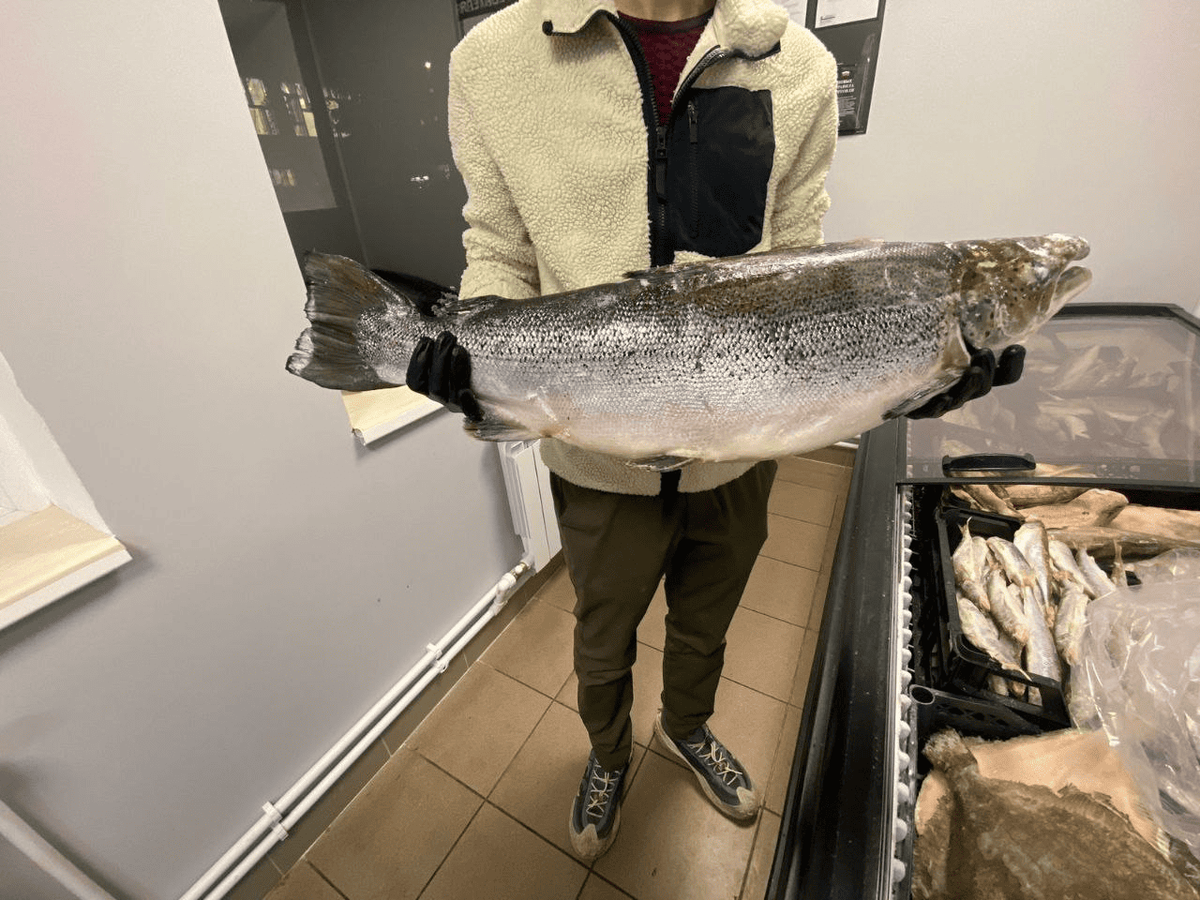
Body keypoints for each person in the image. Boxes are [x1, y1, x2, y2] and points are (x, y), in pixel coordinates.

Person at [407, 0, 1022, 862]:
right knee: (603, 635)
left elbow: (797, 263)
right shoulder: (492, 59)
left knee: (708, 620)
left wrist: (898, 381)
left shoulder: (796, 60)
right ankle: (608, 755)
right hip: (598, 447)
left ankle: (685, 726)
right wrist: (477, 359)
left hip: (740, 444)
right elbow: (501, 247)